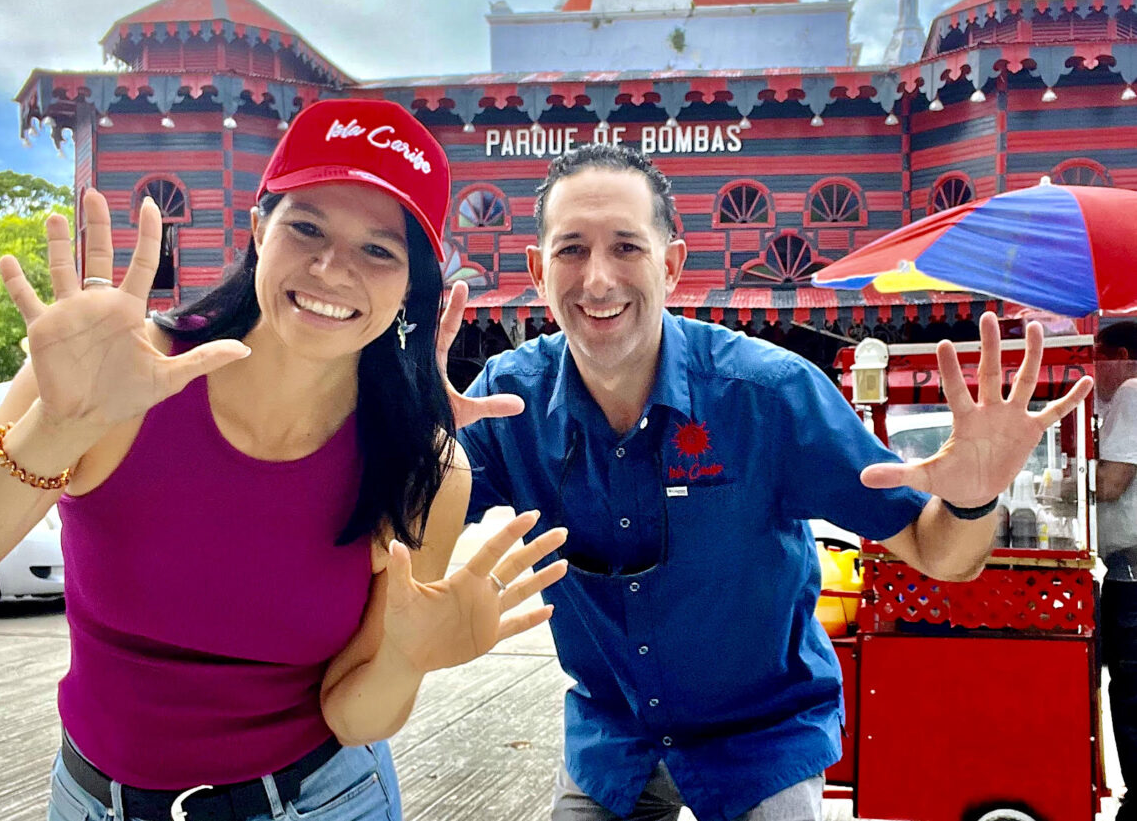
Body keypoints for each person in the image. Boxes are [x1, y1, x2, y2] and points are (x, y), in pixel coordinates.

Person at [452, 143, 1092, 821]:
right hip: (617, 735)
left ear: (671, 264)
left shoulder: (771, 395)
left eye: (627, 248)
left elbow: (940, 554)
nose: (599, 280)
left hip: (762, 736)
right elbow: (412, 525)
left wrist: (973, 496)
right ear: (536, 269)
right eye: (572, 249)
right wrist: (413, 441)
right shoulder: (506, 402)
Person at [0, 99, 567, 821]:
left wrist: (407, 657)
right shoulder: (119, 368)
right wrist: (56, 427)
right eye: (307, 227)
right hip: (92, 801)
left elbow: (354, 715)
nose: (332, 268)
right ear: (260, 228)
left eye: (378, 250)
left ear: (409, 289)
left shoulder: (422, 469)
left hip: (319, 800)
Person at [1095, 321, 1137, 821]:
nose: (1093, 369)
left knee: (1131, 687)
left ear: (1120, 355)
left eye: (1097, 358)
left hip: (1133, 575)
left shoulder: (1131, 388)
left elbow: (1109, 483)